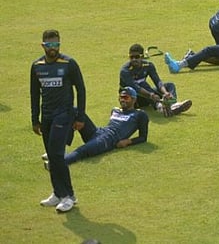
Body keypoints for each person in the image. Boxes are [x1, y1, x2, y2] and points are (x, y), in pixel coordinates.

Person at [30, 29, 87, 213]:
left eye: (56, 44)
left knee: (56, 153)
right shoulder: (37, 65)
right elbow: (34, 94)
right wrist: (35, 119)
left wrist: (80, 117)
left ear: (59, 44)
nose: (53, 48)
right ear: (43, 46)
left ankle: (69, 195)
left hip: (64, 114)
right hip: (46, 116)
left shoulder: (69, 63)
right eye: (49, 45)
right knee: (51, 154)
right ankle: (57, 192)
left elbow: (81, 89)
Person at [47, 88, 149, 168]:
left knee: (81, 151)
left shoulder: (140, 114)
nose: (122, 100)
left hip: (108, 139)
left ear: (134, 99)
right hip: (98, 132)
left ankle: (56, 165)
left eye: (126, 98)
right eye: (121, 97)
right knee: (75, 111)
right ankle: (62, 147)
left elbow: (143, 137)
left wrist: (128, 141)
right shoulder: (115, 110)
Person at [120, 44, 192, 117]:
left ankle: (172, 104)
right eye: (131, 57)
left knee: (170, 85)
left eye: (136, 57)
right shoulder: (125, 71)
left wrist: (165, 92)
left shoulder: (148, 65)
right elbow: (135, 88)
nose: (134, 59)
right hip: (131, 99)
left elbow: (157, 81)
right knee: (144, 85)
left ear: (142, 56)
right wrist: (151, 95)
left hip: (145, 94)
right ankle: (160, 107)